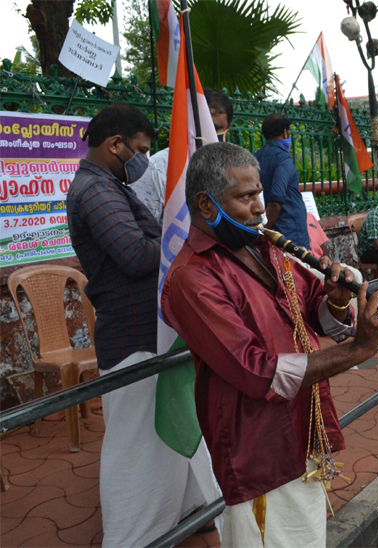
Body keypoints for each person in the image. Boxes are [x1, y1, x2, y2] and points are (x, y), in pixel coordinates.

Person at [161, 142, 378, 547]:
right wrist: (357, 350)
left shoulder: (265, 247)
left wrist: (338, 297)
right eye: (245, 197)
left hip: (303, 428)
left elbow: (313, 307)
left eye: (258, 193)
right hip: (258, 448)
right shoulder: (192, 278)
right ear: (206, 206)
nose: (261, 208)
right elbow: (257, 372)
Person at [67, 103, 216, 546]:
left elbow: (148, 234)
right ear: (115, 145)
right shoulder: (95, 192)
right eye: (139, 150)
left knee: (170, 423)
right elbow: (135, 254)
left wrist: (162, 236)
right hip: (129, 333)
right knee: (134, 441)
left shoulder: (110, 184)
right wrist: (174, 242)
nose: (143, 160)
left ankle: (186, 510)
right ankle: (132, 536)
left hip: (150, 328)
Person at [133, 88, 233, 223]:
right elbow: (144, 226)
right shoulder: (157, 167)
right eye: (202, 127)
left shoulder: (239, 166)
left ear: (229, 127)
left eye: (215, 129)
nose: (208, 134)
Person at [254, 113, 310, 249]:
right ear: (285, 133)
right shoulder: (283, 159)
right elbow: (275, 202)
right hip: (289, 234)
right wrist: (263, 232)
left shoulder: (256, 157)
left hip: (274, 235)